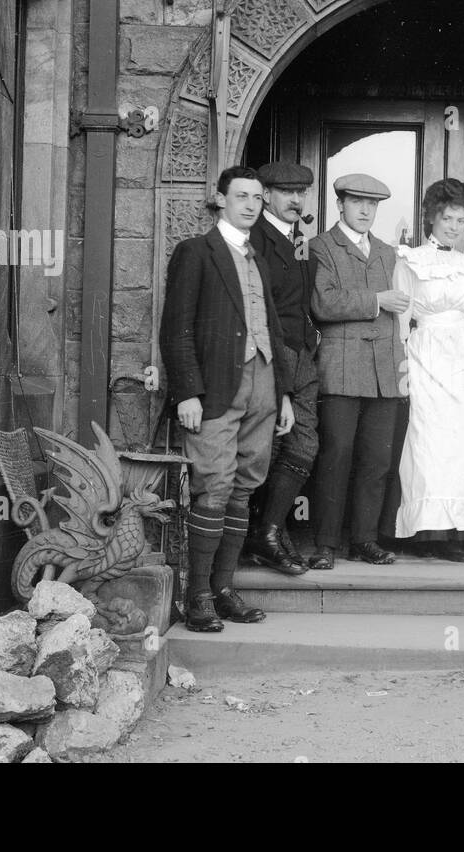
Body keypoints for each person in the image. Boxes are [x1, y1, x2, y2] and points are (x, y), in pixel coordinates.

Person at [159, 165, 296, 632]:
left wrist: (284, 393)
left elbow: (272, 329)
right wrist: (187, 393)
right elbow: (175, 328)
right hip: (216, 387)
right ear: (220, 199)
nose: (251, 204)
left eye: (258, 197)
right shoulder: (195, 252)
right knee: (214, 483)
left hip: (263, 384)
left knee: (245, 483)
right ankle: (197, 595)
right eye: (242, 196)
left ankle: (222, 588)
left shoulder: (257, 256)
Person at [307, 173, 410, 570]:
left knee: (377, 461)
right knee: (337, 455)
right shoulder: (321, 247)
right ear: (340, 205)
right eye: (357, 202)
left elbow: (404, 316)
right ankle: (326, 544)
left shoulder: (387, 252)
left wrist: (402, 369)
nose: (365, 210)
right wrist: (377, 300)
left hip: (384, 372)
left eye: (372, 204)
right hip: (341, 368)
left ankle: (364, 539)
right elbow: (323, 303)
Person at [392, 178, 464, 561]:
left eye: (460, 219)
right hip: (427, 353)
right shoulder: (411, 260)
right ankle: (428, 531)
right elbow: (402, 319)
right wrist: (401, 366)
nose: (453, 226)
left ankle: (457, 531)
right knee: (428, 441)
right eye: (446, 217)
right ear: (431, 218)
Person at [244, 162, 319, 575]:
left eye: (302, 192)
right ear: (266, 195)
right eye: (286, 191)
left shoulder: (301, 240)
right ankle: (263, 536)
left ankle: (269, 531)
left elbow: (302, 303)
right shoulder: (255, 237)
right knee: (268, 447)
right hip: (271, 356)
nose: (296, 199)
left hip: (302, 356)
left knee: (304, 446)